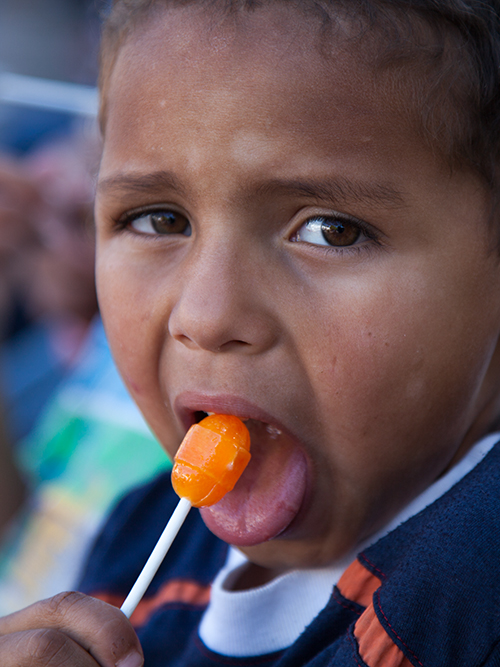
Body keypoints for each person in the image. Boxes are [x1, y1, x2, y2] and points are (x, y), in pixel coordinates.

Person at [0, 0, 499, 664]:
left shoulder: (466, 596)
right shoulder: (139, 539)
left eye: (331, 230)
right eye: (158, 219)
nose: (206, 318)